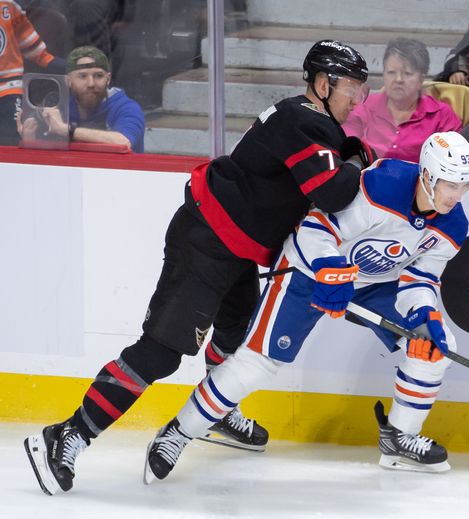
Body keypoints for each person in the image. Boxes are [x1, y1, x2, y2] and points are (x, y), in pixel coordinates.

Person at [23, 39, 373, 496]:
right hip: (206, 244)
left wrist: (351, 153)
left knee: (234, 339)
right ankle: (67, 434)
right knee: (161, 352)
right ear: (324, 84)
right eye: (353, 89)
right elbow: (332, 191)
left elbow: (330, 167)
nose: (357, 100)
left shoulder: (305, 118)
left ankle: (217, 414)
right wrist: (359, 161)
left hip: (236, 247)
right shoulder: (302, 122)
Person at [143, 131, 469, 482]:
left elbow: (420, 278)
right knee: (257, 362)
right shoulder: (384, 186)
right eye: (449, 185)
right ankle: (179, 432)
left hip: (372, 282)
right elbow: (314, 227)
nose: (456, 196)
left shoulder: (454, 224)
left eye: (464, 186)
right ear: (427, 176)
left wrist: (423, 314)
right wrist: (329, 268)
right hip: (310, 268)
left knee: (434, 348)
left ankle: (399, 436)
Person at [343, 37, 461, 162]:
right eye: (391, 72)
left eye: (407, 73)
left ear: (422, 78)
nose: (398, 79)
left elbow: (453, 161)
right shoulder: (363, 108)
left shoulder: (442, 116)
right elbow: (347, 153)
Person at [19, 46, 145, 152]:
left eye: (98, 76)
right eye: (82, 76)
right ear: (68, 81)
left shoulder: (126, 107)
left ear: (108, 79)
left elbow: (123, 142)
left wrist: (65, 129)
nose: (91, 83)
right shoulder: (61, 109)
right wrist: (29, 137)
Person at [0, 0, 64, 146]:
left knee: (11, 137)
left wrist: (49, 60)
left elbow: (29, 43)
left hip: (9, 87)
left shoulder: (8, 6)